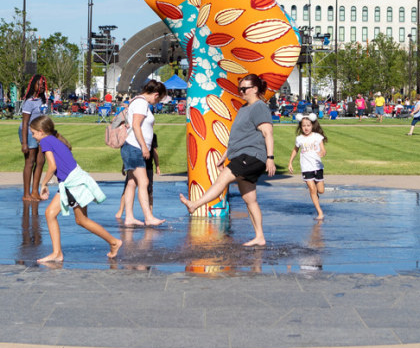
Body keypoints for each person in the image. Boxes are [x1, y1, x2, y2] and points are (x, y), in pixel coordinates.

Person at [179, 73, 275, 246]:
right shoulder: (244, 108)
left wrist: (270, 158)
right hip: (242, 155)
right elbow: (237, 138)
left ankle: (195, 204)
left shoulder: (259, 107)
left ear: (254, 89)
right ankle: (260, 236)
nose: (241, 92)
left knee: (222, 180)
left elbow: (268, 132)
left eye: (244, 89)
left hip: (252, 155)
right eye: (240, 89)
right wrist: (225, 156)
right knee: (249, 199)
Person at [30, 115, 122, 262]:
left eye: (33, 133)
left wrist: (43, 183)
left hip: (73, 183)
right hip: (74, 180)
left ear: (41, 131)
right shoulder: (54, 139)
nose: (33, 136)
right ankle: (57, 253)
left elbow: (52, 166)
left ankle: (114, 242)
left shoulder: (46, 141)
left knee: (78, 219)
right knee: (60, 215)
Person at [117, 79, 168, 227]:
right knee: (143, 181)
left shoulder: (137, 101)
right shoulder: (141, 103)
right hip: (134, 147)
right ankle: (148, 217)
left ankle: (129, 217)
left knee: (132, 183)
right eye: (159, 99)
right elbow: (136, 125)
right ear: (156, 94)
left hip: (132, 147)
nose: (157, 102)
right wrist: (145, 147)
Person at [287, 115, 327, 219]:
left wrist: (322, 153)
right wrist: (290, 162)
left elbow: (323, 150)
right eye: (304, 125)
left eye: (308, 125)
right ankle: (320, 212)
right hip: (306, 168)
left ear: (312, 125)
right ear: (300, 126)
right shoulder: (299, 138)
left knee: (321, 191)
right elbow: (295, 150)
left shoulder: (317, 136)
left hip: (318, 167)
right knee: (312, 189)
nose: (306, 128)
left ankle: (315, 195)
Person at [19, 73, 48, 201]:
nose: (41, 86)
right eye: (39, 84)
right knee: (30, 161)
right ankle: (26, 194)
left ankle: (35, 191)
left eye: (43, 84)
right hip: (29, 132)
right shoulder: (29, 102)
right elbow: (25, 123)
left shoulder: (44, 100)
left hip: (41, 133)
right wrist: (24, 143)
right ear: (33, 85)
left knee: (41, 161)